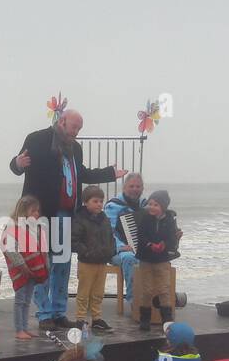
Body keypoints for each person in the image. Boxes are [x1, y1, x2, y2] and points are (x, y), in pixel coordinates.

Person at [9, 108, 123, 331]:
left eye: (79, 129)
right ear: (62, 122)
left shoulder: (75, 148)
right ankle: (44, 315)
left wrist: (110, 173)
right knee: (43, 265)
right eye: (74, 128)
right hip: (41, 215)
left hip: (67, 215)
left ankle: (59, 312)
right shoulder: (37, 139)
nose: (76, 133)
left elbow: (83, 174)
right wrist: (17, 163)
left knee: (62, 265)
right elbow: (18, 166)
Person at [1, 195, 48, 341]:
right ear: (23, 211)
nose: (37, 214)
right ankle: (19, 329)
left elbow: (42, 248)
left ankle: (25, 328)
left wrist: (44, 265)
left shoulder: (35, 227)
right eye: (33, 211)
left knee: (27, 300)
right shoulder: (12, 227)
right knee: (20, 300)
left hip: (33, 269)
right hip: (21, 270)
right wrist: (23, 266)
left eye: (38, 211)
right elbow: (9, 249)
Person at [134, 190, 181, 331]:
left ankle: (167, 320)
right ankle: (145, 320)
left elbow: (172, 237)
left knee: (164, 289)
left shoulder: (170, 220)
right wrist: (150, 245)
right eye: (150, 204)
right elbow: (140, 236)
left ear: (164, 206)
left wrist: (164, 244)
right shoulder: (145, 218)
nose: (152, 207)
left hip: (162, 259)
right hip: (146, 258)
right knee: (147, 290)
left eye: (156, 205)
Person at [71, 186, 116, 332]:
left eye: (101, 201)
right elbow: (74, 241)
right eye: (95, 201)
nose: (99, 204)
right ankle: (80, 319)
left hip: (102, 262)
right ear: (85, 202)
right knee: (84, 292)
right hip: (87, 262)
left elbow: (110, 236)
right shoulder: (80, 219)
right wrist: (87, 252)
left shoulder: (105, 219)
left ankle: (96, 318)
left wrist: (111, 251)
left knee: (98, 292)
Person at [105, 172, 145, 310]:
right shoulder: (113, 206)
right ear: (124, 188)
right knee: (129, 258)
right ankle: (134, 300)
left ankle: (155, 300)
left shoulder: (145, 205)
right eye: (131, 186)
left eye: (138, 186)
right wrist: (121, 247)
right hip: (116, 252)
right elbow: (108, 233)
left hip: (140, 250)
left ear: (142, 188)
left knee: (157, 258)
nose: (135, 189)